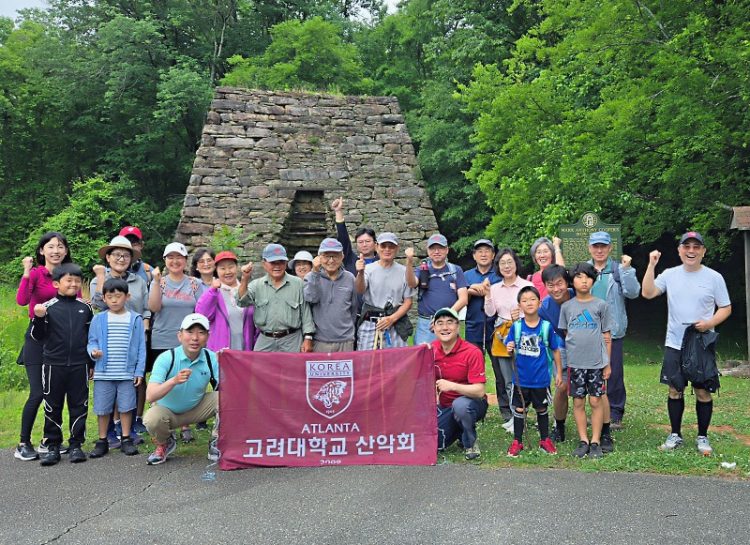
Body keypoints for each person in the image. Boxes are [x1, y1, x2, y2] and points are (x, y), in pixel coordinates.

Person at [642, 231, 731, 456]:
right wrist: (651, 265)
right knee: (674, 389)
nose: (691, 251)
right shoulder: (670, 274)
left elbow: (726, 307)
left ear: (703, 251)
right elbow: (648, 292)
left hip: (701, 343)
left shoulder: (714, 277)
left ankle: (703, 436)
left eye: (696, 247)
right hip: (675, 343)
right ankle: (675, 434)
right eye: (686, 247)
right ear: (680, 250)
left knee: (702, 391)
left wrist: (709, 322)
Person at [14, 232, 75, 461]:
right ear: (42, 251)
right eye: (50, 246)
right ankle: (23, 442)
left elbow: (75, 302)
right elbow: (21, 300)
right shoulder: (37, 274)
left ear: (66, 251)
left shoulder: (69, 274)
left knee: (55, 393)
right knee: (38, 392)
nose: (56, 251)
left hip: (60, 339)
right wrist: (27, 272)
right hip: (37, 338)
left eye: (60, 246)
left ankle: (49, 440)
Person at [31, 263, 93, 466]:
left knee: (79, 405)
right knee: (52, 406)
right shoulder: (47, 307)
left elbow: (90, 338)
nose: (74, 284)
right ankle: (52, 446)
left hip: (79, 365)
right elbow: (36, 336)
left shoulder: (85, 308)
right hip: (53, 365)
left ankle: (76, 445)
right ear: (57, 283)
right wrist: (39, 319)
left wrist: (91, 362)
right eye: (69, 280)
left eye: (77, 280)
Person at [90, 235, 150, 447]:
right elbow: (97, 304)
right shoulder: (99, 279)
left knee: (128, 390)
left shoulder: (139, 281)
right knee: (107, 392)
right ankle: (108, 434)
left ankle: (127, 431)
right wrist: (100, 277)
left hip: (132, 338)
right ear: (108, 257)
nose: (121, 258)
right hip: (108, 341)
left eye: (126, 255)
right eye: (116, 254)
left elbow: (145, 307)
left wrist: (145, 321)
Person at [143, 313, 219, 465]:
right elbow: (150, 396)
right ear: (180, 335)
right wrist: (174, 381)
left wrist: (229, 362)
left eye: (201, 332)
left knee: (227, 398)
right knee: (152, 419)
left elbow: (225, 387)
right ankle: (164, 443)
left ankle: (217, 442)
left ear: (208, 336)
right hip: (168, 412)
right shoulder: (167, 358)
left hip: (197, 408)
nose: (195, 338)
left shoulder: (212, 358)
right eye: (190, 332)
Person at [148, 242, 204, 441]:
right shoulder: (159, 282)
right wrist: (155, 282)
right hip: (162, 338)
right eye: (170, 257)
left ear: (185, 260)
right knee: (163, 382)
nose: (175, 261)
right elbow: (153, 307)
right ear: (165, 261)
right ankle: (162, 427)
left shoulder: (195, 284)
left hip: (188, 340)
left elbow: (203, 309)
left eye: (179, 257)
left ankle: (184, 424)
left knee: (185, 381)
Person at [558, 263, 613, 459]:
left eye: (588, 277)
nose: (584, 281)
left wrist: (607, 363)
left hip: (596, 363)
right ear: (572, 281)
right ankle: (583, 440)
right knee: (579, 401)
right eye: (579, 277)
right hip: (575, 364)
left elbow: (607, 336)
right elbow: (566, 333)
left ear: (593, 280)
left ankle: (596, 440)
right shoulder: (566, 307)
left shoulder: (601, 305)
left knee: (596, 400)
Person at [587, 231, 641, 432]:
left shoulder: (620, 269)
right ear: (589, 248)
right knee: (592, 373)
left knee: (614, 373)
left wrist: (627, 270)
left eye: (603, 246)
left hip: (613, 331)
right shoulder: (585, 270)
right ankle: (596, 409)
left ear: (610, 248)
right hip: (589, 332)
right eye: (595, 246)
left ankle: (616, 412)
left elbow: (633, 293)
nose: (599, 250)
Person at [87, 278, 146, 458]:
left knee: (127, 406)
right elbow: (92, 342)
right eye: (110, 296)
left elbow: (141, 347)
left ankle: (126, 438)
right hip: (104, 372)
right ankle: (102, 440)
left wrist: (139, 371)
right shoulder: (98, 319)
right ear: (104, 298)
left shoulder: (135, 319)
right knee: (103, 408)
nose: (114, 300)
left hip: (126, 373)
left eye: (118, 296)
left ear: (127, 297)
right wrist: (93, 352)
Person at [504, 286, 563, 457]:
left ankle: (545, 440)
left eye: (532, 299)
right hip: (520, 379)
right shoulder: (516, 327)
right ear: (519, 305)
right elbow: (509, 348)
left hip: (540, 380)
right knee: (519, 410)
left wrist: (559, 373)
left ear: (539, 302)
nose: (529, 303)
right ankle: (517, 441)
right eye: (524, 300)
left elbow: (555, 350)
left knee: (541, 409)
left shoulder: (546, 327)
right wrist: (509, 347)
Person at [483, 248, 532, 429]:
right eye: (502, 263)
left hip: (524, 335)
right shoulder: (495, 288)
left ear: (516, 263)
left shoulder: (526, 286)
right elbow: (490, 313)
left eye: (509, 262)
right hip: (502, 336)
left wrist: (521, 314)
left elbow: (535, 311)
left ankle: (524, 415)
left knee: (524, 378)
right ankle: (515, 417)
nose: (506, 266)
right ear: (498, 266)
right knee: (508, 380)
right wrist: (487, 294)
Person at [432, 307, 488, 460]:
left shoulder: (472, 352)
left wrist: (452, 386)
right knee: (433, 444)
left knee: (460, 406)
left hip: (471, 404)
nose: (445, 327)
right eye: (440, 323)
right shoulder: (431, 350)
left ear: (458, 326)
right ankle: (459, 429)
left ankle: (470, 442)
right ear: (434, 328)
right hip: (444, 407)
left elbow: (479, 391)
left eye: (450, 322)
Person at [237, 243, 315, 352]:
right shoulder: (256, 285)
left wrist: (308, 338)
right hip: (265, 339)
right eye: (273, 263)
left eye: (281, 262)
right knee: (258, 367)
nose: (277, 266)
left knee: (293, 368)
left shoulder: (298, 284)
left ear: (286, 263)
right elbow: (241, 301)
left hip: (292, 340)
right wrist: (245, 278)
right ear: (264, 264)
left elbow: (306, 314)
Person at [355, 232, 415, 350]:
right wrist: (360, 273)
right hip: (370, 323)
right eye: (383, 246)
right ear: (377, 247)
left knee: (396, 364)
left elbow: (408, 301)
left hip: (395, 323)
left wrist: (392, 319)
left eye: (391, 246)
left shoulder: (404, 271)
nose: (387, 249)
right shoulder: (368, 269)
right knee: (367, 364)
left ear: (397, 248)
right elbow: (360, 289)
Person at [405, 233, 468, 345]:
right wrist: (409, 262)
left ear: (447, 250)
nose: (437, 251)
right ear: (428, 251)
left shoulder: (455, 270)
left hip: (449, 321)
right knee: (425, 357)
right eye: (433, 248)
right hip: (426, 324)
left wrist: (444, 316)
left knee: (450, 357)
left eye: (440, 248)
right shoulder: (421, 269)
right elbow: (411, 283)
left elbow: (463, 299)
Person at [538, 265, 574, 443]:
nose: (556, 289)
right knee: (561, 387)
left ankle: (603, 430)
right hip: (562, 347)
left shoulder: (578, 294)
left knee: (595, 391)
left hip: (587, 347)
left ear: (566, 282)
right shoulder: (544, 306)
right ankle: (559, 426)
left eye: (559, 283)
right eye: (550, 285)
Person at [303, 238, 358, 352]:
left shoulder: (350, 278)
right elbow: (311, 299)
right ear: (319, 257)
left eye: (335, 256)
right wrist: (315, 273)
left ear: (342, 256)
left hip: (346, 340)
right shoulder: (311, 276)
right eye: (327, 256)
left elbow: (353, 308)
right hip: (319, 340)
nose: (331, 260)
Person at [195, 251, 257, 352]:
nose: (227, 272)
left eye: (231, 267)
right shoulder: (213, 293)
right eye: (222, 268)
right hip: (221, 351)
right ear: (216, 270)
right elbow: (202, 316)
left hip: (246, 349)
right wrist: (212, 291)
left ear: (237, 267)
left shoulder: (247, 289)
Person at [331, 197, 378, 276]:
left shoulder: (382, 260)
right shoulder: (351, 260)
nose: (364, 244)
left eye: (367, 241)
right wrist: (338, 211)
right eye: (360, 242)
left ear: (375, 243)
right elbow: (343, 239)